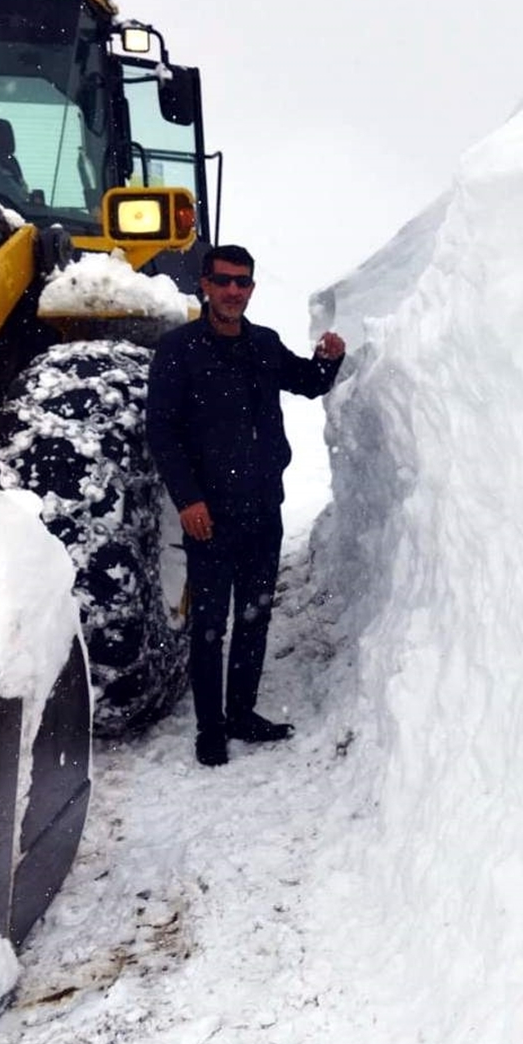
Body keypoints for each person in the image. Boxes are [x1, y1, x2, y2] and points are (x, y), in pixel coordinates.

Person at [146, 244, 346, 767]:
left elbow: (306, 383)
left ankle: (242, 714)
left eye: (243, 282)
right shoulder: (179, 349)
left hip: (262, 507)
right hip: (209, 513)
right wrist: (188, 500)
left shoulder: (263, 344)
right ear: (206, 286)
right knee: (210, 624)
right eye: (224, 281)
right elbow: (162, 431)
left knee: (255, 617)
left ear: (251, 289)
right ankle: (210, 729)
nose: (234, 290)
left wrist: (329, 358)